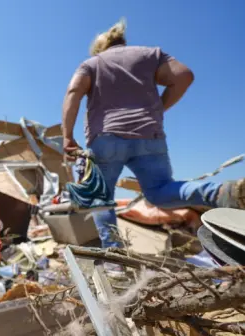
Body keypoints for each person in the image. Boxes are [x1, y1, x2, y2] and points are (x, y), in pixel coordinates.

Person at [61, 19, 244, 271]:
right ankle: (221, 193)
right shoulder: (149, 55)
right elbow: (184, 76)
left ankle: (116, 265)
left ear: (100, 47)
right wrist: (158, 108)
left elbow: (73, 92)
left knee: (100, 199)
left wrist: (67, 136)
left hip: (106, 138)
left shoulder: (92, 63)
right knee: (160, 191)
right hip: (149, 136)